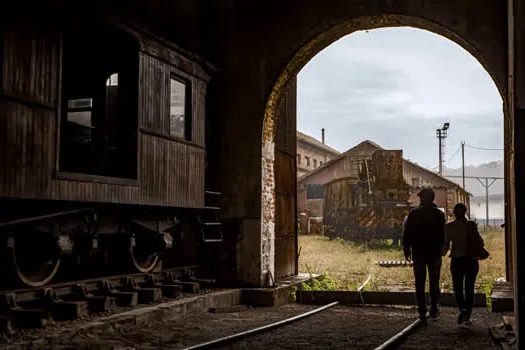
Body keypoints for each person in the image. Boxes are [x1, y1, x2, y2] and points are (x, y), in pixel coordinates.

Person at [403, 188, 446, 321]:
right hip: (434, 253)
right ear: (433, 199)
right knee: (434, 282)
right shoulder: (439, 214)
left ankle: (422, 311)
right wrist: (442, 249)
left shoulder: (414, 213)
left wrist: (406, 249)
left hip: (418, 253)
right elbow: (443, 234)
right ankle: (433, 308)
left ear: (421, 199)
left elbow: (407, 232)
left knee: (419, 282)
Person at [443, 203, 484, 327]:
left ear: (454, 213)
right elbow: (481, 242)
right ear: (465, 212)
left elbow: (445, 246)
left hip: (457, 260)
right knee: (470, 288)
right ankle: (467, 317)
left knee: (458, 287)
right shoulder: (471, 225)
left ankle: (462, 309)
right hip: (471, 260)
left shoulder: (449, 226)